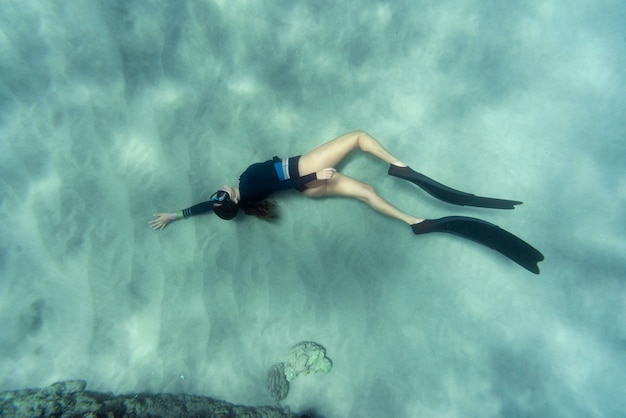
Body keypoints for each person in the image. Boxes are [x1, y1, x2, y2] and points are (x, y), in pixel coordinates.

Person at [149, 131, 544, 274]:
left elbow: (206, 207)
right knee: (357, 136)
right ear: (229, 198)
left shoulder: (241, 200)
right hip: (304, 172)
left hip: (303, 185)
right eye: (220, 195)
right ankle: (400, 166)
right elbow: (278, 181)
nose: (217, 191)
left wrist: (175, 215)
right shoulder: (247, 183)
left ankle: (415, 221)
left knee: (367, 195)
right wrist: (316, 176)